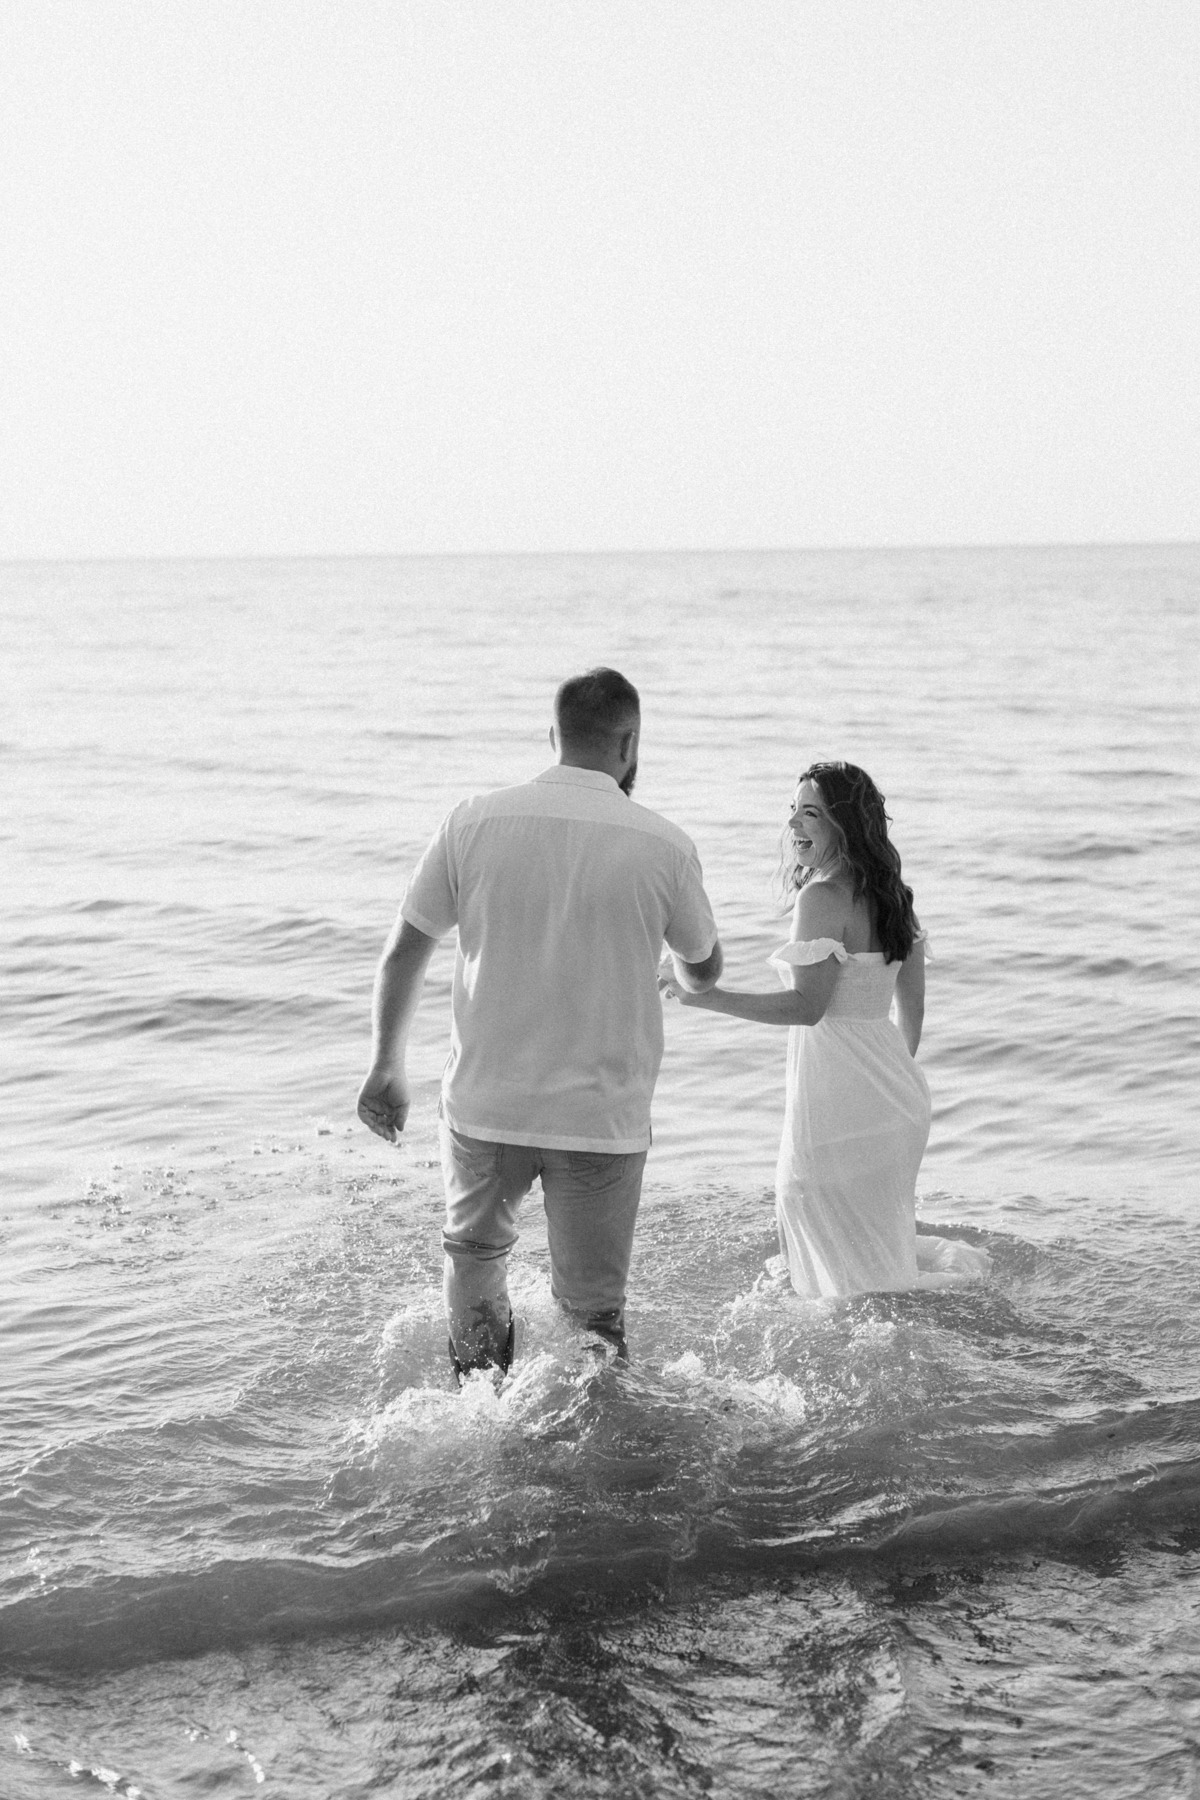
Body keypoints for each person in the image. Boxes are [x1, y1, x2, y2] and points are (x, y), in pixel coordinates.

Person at [357, 667, 723, 1377]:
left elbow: (405, 951)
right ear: (630, 743)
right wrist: (680, 973)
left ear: (553, 736)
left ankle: (477, 1411)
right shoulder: (665, 844)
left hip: (487, 1104)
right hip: (600, 1115)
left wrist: (385, 1068)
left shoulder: (473, 820)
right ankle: (598, 1457)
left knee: (474, 1264)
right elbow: (704, 969)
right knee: (594, 1315)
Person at [660, 761, 989, 1297]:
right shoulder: (894, 897)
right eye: (792, 811)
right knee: (875, 1270)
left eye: (809, 813)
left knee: (828, 1255)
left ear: (843, 827)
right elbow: (915, 1013)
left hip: (834, 1104)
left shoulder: (820, 898)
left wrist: (706, 995)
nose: (793, 826)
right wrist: (884, 1085)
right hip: (897, 1100)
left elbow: (807, 1008)